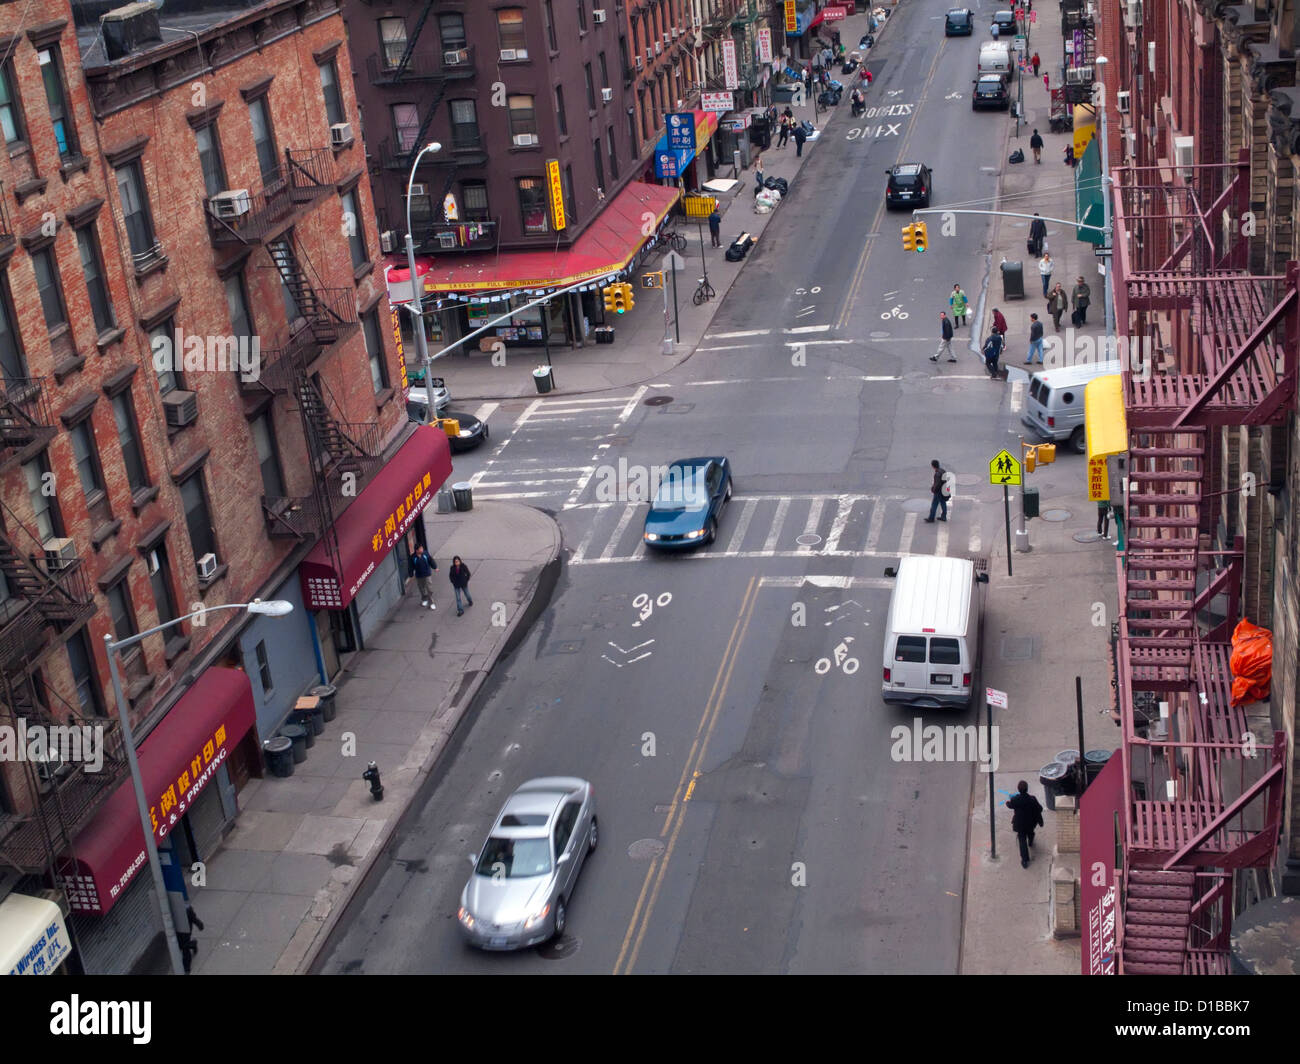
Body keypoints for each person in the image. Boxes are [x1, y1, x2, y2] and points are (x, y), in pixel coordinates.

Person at [1006, 781, 1045, 868]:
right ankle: (1030, 841)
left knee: (1022, 841)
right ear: (1027, 789)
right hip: (1031, 822)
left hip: (1020, 824)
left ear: (1018, 790)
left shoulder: (1015, 799)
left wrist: (1007, 803)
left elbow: (1010, 805)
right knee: (1030, 832)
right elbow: (1040, 808)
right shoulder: (1032, 799)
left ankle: (1025, 860)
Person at [410, 544, 437, 609]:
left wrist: (435, 567)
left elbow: (431, 560)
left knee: (429, 589)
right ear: (417, 550)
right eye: (420, 548)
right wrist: (411, 574)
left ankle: (431, 603)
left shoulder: (425, 554)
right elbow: (411, 566)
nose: (422, 549)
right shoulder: (413, 557)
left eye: (422, 548)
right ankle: (424, 599)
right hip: (419, 576)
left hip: (427, 574)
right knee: (422, 588)